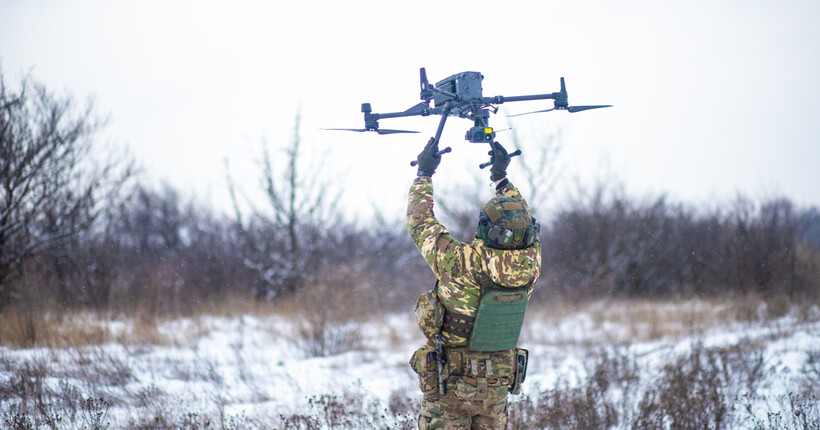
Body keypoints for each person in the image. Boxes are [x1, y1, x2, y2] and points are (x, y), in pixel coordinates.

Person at [407, 137, 542, 429]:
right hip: (496, 385)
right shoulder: (532, 262)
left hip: (451, 383)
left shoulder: (462, 261)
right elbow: (520, 215)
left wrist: (424, 174)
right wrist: (501, 178)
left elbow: (420, 223)